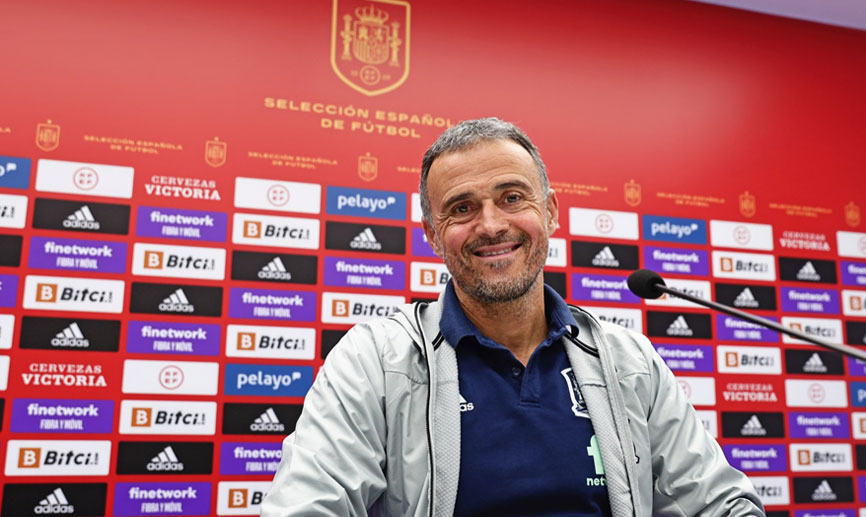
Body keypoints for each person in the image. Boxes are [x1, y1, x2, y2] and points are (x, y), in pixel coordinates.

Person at [262, 117, 765, 516]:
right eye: (461, 208)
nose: (491, 224)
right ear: (433, 235)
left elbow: (720, 504)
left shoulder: (626, 359)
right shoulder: (376, 361)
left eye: (512, 197)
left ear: (549, 212)